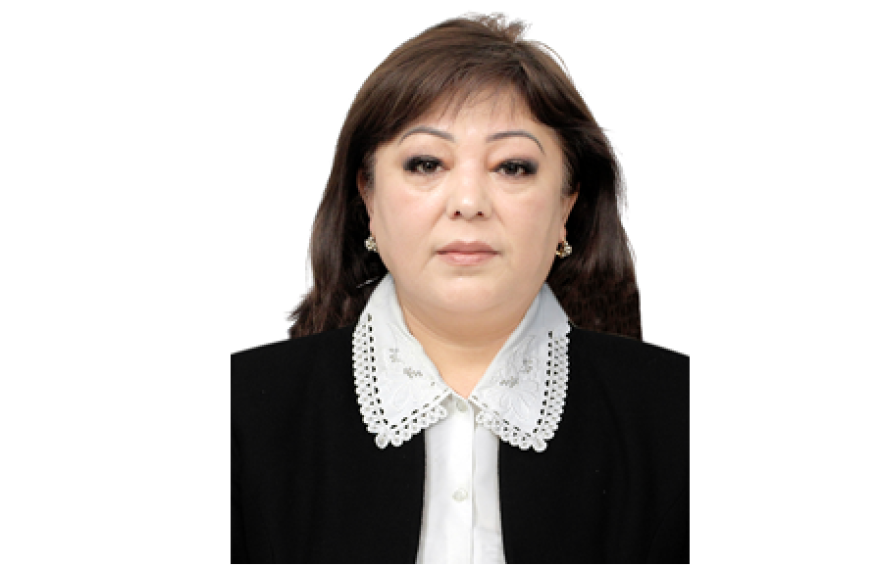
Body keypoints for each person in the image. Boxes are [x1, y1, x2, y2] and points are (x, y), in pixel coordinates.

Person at [232, 13, 688, 564]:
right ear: (368, 197)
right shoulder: (235, 414)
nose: (468, 202)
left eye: (512, 167)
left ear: (567, 203)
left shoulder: (685, 416)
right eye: (426, 163)